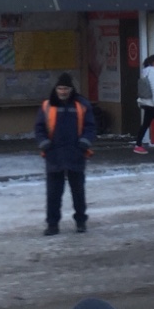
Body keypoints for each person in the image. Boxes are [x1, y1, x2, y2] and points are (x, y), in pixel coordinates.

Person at [35, 73, 97, 234]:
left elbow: (90, 127)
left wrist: (84, 143)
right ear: (56, 89)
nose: (62, 91)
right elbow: (39, 128)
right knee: (53, 194)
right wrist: (44, 144)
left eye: (66, 88)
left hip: (76, 154)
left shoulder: (82, 105)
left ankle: (81, 221)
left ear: (71, 89)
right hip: (54, 155)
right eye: (60, 88)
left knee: (78, 193)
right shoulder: (47, 106)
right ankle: (52, 225)